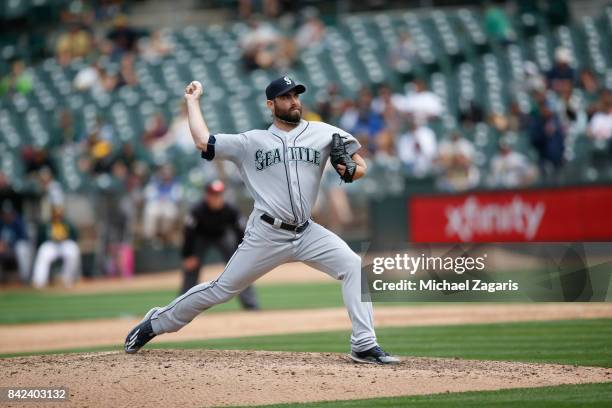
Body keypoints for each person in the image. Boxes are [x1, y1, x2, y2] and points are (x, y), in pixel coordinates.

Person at [125, 76, 400, 364]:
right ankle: (156, 322)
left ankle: (364, 344)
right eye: (286, 97)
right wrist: (192, 102)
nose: (294, 101)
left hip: (307, 232)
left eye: (296, 95)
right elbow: (202, 141)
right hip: (266, 233)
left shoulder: (323, 132)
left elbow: (360, 164)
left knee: (354, 266)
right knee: (220, 290)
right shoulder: (251, 142)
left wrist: (352, 170)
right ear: (271, 104)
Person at [180, 180, 259, 309]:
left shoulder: (230, 209)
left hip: (222, 236)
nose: (216, 198)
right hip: (201, 237)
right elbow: (188, 234)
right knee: (191, 268)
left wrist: (244, 254)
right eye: (213, 194)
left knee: (240, 268)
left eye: (219, 194)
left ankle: (251, 305)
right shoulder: (197, 210)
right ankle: (182, 306)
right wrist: (188, 255)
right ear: (207, 195)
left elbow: (241, 231)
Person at [31, 206, 81, 289]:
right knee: (43, 251)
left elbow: (75, 236)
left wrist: (65, 237)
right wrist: (51, 238)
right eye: (56, 213)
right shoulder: (47, 224)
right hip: (52, 245)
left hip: (64, 244)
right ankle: (39, 281)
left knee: (73, 250)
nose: (58, 215)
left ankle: (67, 279)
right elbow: (40, 238)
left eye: (59, 213)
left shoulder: (67, 223)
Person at [0, 202, 31, 284]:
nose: (7, 215)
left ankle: (25, 279)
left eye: (9, 213)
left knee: (22, 248)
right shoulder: (1, 223)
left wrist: (9, 244)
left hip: (15, 248)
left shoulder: (18, 222)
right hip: (3, 249)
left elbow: (24, 238)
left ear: (13, 213)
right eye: (5, 214)